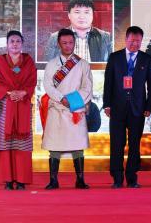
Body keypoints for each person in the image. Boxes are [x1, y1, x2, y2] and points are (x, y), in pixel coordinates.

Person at [103, 26, 151, 188]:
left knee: (134, 144)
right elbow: (108, 83)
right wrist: (107, 104)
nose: (135, 44)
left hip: (138, 109)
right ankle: (117, 178)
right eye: (132, 40)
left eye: (138, 41)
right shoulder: (114, 57)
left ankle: (132, 177)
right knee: (117, 144)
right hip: (117, 108)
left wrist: (149, 106)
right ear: (125, 40)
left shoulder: (147, 59)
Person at [42, 28, 93, 189]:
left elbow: (87, 87)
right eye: (64, 43)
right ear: (59, 44)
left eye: (71, 42)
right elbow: (48, 86)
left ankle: (80, 179)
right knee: (54, 146)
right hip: (57, 108)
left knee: (77, 145)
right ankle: (53, 180)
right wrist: (61, 98)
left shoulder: (83, 64)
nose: (68, 45)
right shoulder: (51, 64)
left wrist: (70, 101)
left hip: (75, 109)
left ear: (74, 43)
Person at [0, 31, 36, 190]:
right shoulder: (0, 61)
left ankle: (22, 180)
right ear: (7, 44)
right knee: (6, 143)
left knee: (22, 143)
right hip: (6, 105)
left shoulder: (28, 61)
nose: (15, 44)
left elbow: (32, 82)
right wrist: (10, 93)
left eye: (18, 41)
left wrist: (23, 92)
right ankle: (8, 180)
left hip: (23, 105)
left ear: (22, 43)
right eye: (12, 41)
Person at [44, 0, 112, 62]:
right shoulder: (55, 37)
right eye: (77, 12)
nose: (82, 16)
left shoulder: (105, 37)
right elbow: (48, 65)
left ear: (93, 15)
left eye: (86, 12)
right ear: (69, 15)